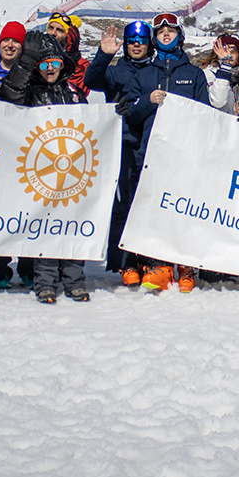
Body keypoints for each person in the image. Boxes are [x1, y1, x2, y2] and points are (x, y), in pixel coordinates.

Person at [0, 33, 92, 303]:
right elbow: (9, 96)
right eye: (44, 63)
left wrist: (115, 116)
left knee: (73, 224)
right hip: (41, 171)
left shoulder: (72, 91)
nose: (50, 69)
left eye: (55, 63)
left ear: (63, 65)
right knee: (47, 227)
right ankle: (45, 282)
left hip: (72, 170)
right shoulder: (29, 90)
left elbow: (90, 124)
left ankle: (74, 281)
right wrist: (26, 62)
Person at [125, 13, 211, 291]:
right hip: (150, 155)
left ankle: (185, 266)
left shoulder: (193, 74)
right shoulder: (143, 74)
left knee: (182, 210)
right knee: (152, 210)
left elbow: (205, 115)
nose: (165, 34)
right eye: (160, 31)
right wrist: (147, 102)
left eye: (171, 30)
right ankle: (156, 265)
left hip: (184, 155)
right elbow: (130, 115)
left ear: (179, 37)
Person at [86, 20, 157, 285]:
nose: (136, 45)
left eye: (140, 40)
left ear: (149, 43)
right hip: (124, 142)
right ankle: (123, 261)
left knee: (148, 203)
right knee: (124, 203)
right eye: (131, 41)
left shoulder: (156, 70)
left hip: (151, 143)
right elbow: (91, 80)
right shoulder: (116, 71)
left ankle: (148, 260)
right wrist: (104, 55)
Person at [44, 12, 91, 98]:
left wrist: (71, 61)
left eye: (59, 30)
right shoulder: (37, 57)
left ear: (68, 36)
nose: (53, 33)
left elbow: (80, 93)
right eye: (51, 28)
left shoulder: (82, 64)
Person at [196, 34, 239, 114]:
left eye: (233, 49)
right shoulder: (207, 74)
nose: (228, 52)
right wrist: (226, 64)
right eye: (224, 48)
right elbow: (218, 101)